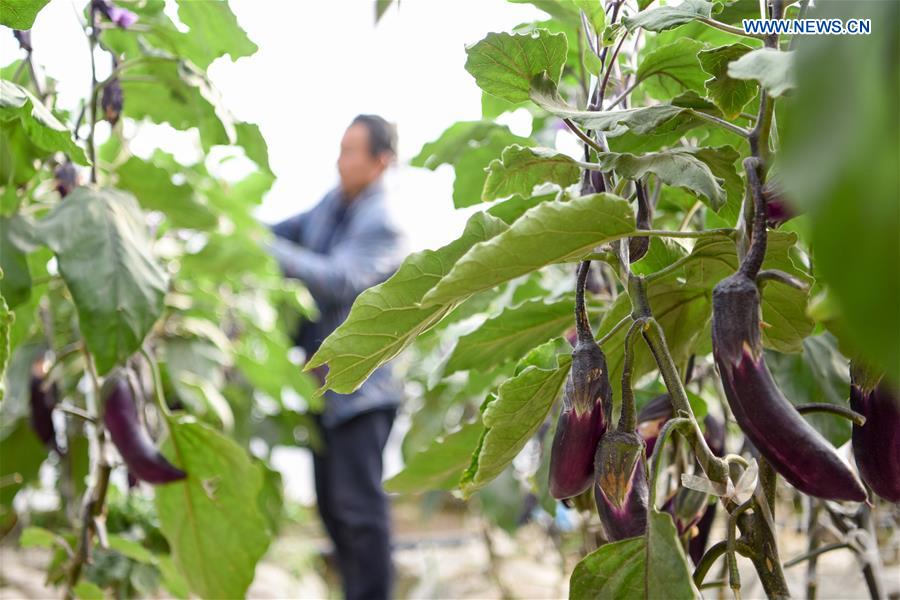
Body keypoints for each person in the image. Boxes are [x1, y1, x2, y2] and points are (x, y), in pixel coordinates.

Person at [267, 114, 405, 600]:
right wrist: (226, 219)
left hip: (362, 391)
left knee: (360, 513)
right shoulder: (331, 204)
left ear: (380, 162)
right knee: (331, 508)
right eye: (340, 149)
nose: (340, 160)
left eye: (351, 151)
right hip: (324, 389)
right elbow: (279, 231)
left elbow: (339, 280)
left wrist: (260, 246)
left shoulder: (383, 222)